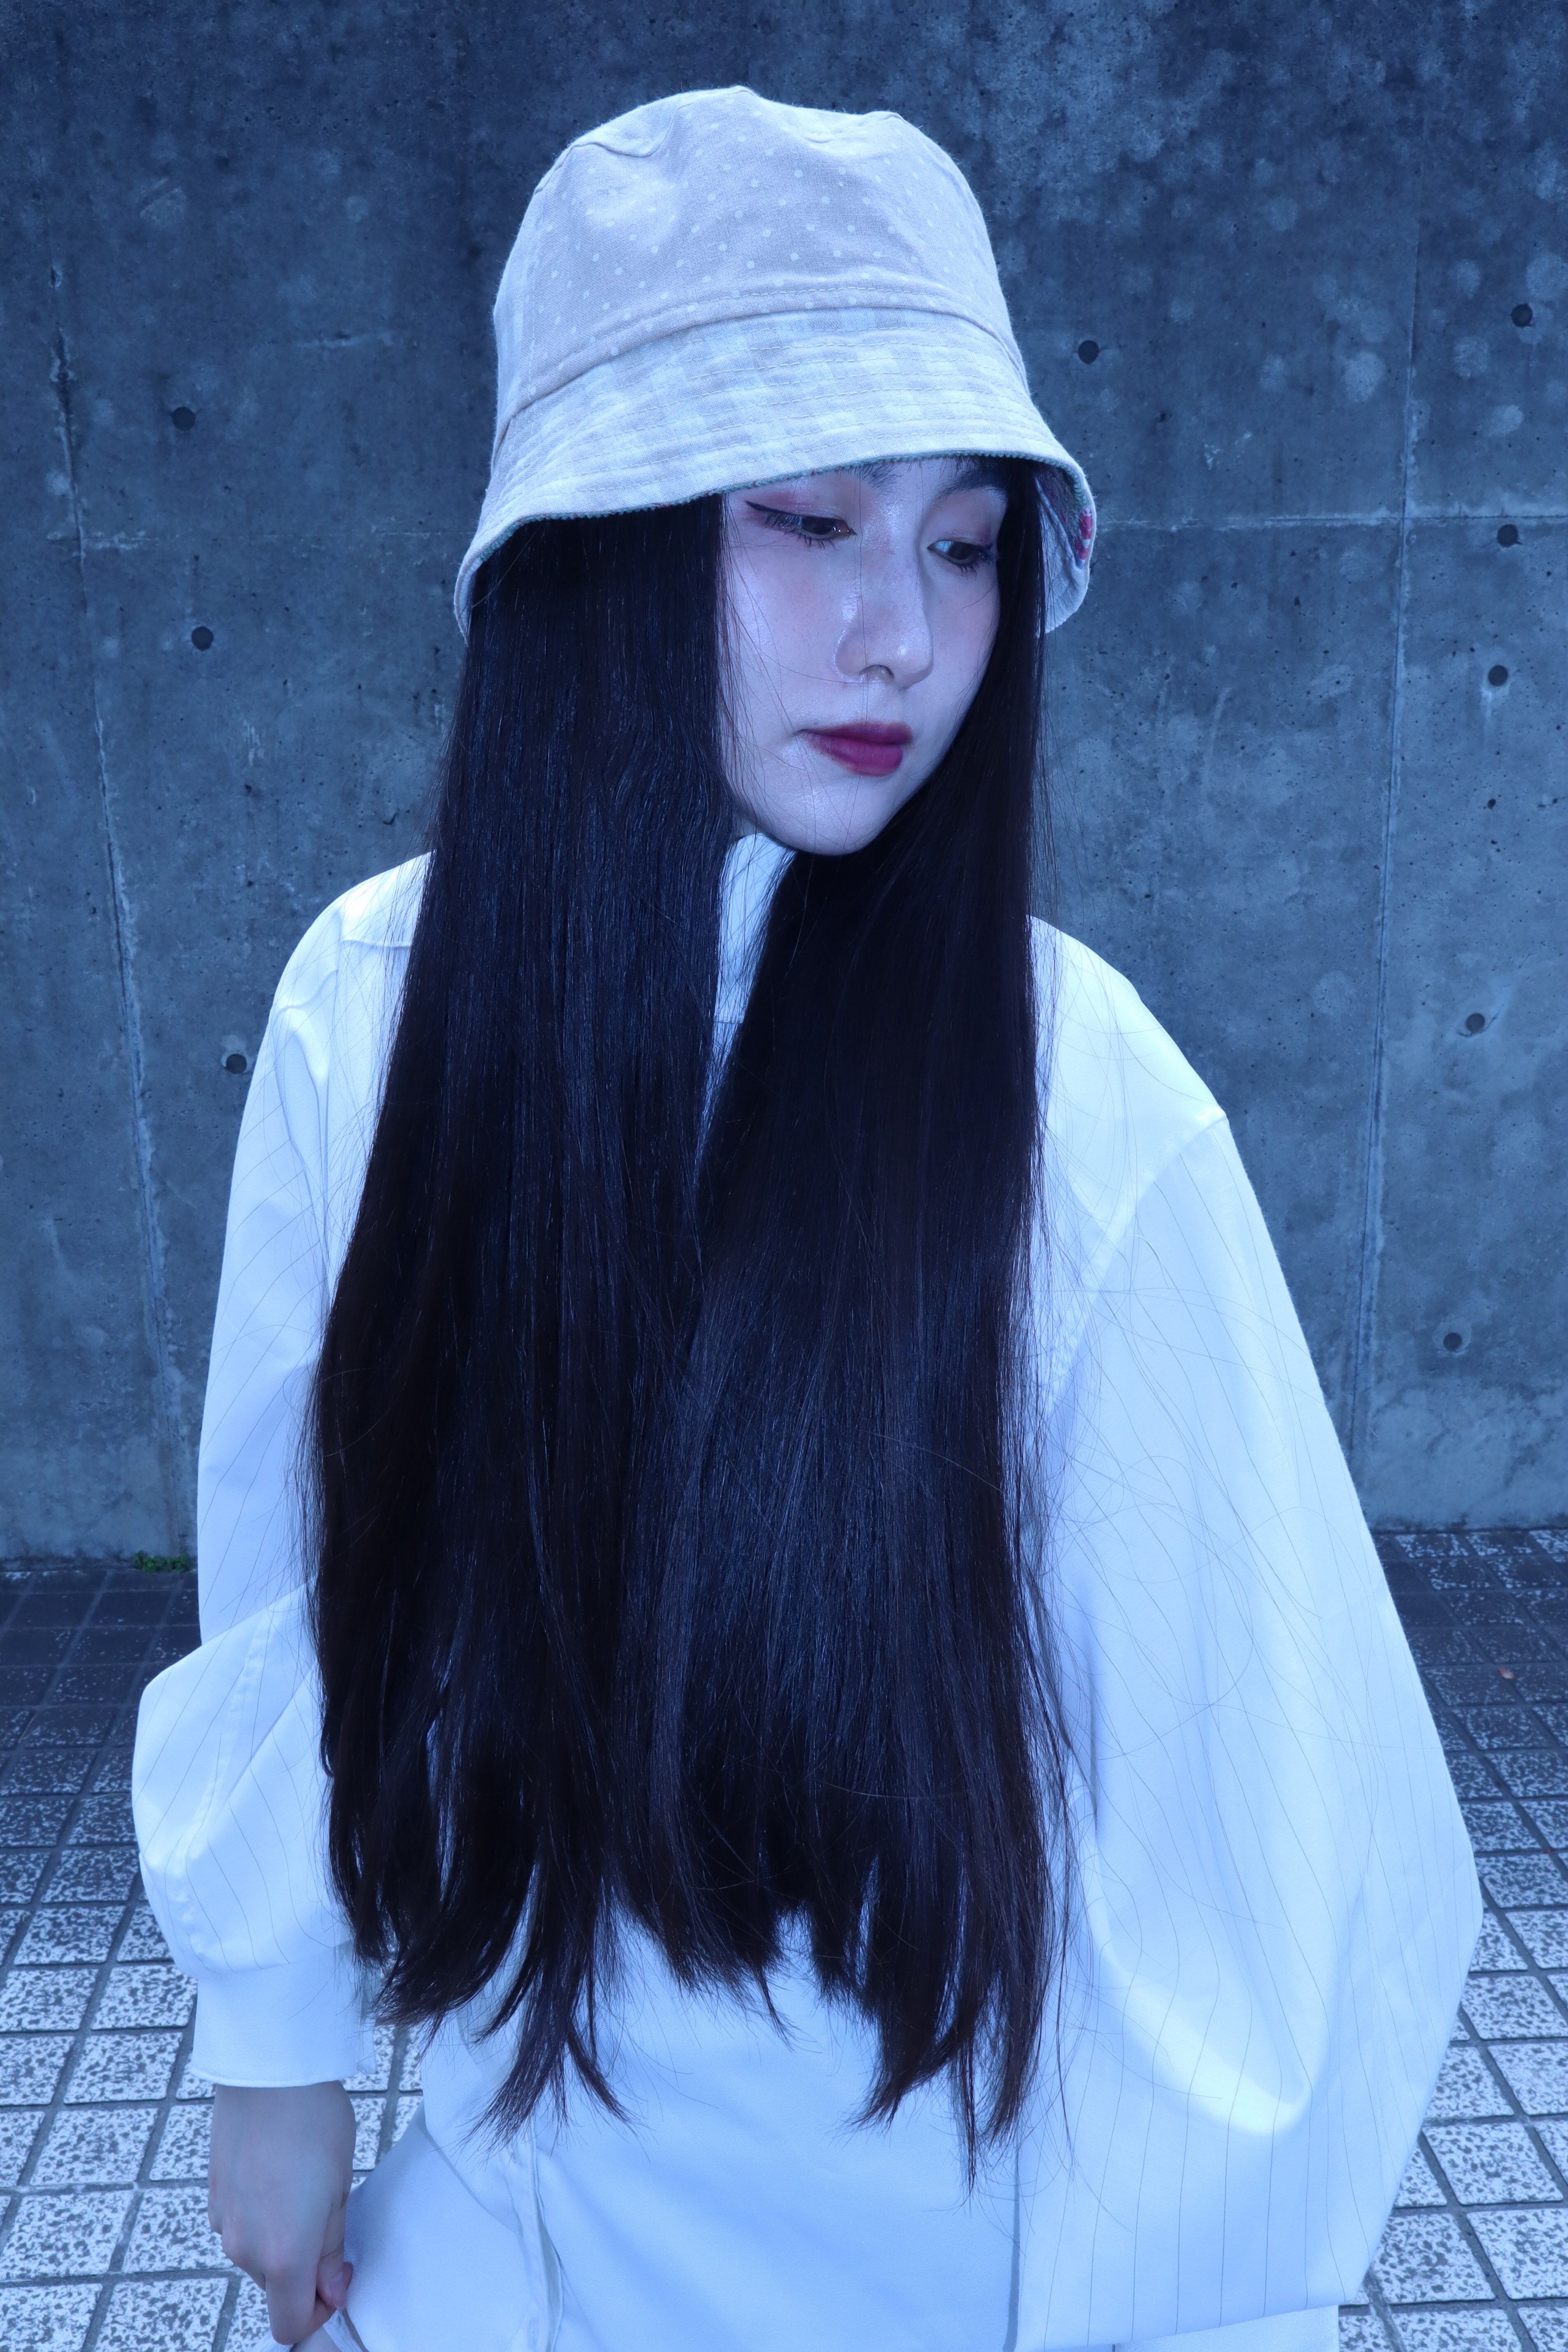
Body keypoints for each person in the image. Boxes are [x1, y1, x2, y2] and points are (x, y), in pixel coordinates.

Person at [132, 88, 1478, 2352]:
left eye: (963, 543)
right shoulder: (374, 1004)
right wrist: (267, 2038)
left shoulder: (1080, 1097)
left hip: (951, 2252)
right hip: (518, 2203)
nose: (904, 638)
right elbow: (299, 1546)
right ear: (594, 547)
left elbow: (1254, 1821)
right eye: (813, 518)